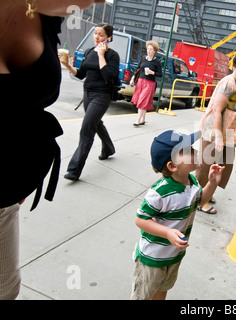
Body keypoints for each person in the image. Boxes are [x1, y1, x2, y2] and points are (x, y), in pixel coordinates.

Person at [0, 0, 106, 300]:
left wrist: (23, 173)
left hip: (7, 204)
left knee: (7, 290)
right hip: (91, 97)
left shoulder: (46, 16)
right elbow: (81, 74)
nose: (97, 2)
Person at [131, 130, 224, 300]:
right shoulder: (160, 192)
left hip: (173, 256)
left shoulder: (192, 181)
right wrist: (167, 232)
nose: (196, 151)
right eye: (188, 151)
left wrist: (212, 183)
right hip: (153, 257)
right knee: (142, 296)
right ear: (172, 166)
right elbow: (140, 219)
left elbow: (199, 202)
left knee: (162, 289)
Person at [195, 50, 236, 214]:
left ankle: (208, 192)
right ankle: (199, 201)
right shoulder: (227, 83)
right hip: (216, 132)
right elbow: (217, 111)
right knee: (207, 165)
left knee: (222, 166)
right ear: (234, 66)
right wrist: (219, 138)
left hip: (229, 133)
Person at [60, 23, 120, 181]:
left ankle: (74, 169)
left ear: (109, 37)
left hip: (102, 95)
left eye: (101, 35)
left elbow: (108, 76)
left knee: (87, 127)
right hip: (88, 93)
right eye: (95, 33)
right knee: (96, 123)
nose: (97, 37)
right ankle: (109, 149)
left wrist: (101, 55)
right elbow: (80, 74)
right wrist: (67, 65)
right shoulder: (88, 52)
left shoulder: (112, 55)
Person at [130, 40, 162, 126]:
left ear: (155, 51)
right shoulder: (143, 58)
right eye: (148, 49)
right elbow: (138, 69)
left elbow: (160, 74)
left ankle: (138, 120)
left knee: (142, 100)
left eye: (151, 49)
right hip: (140, 81)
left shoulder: (157, 62)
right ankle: (143, 119)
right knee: (140, 100)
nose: (149, 51)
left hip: (150, 83)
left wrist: (152, 72)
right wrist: (133, 78)